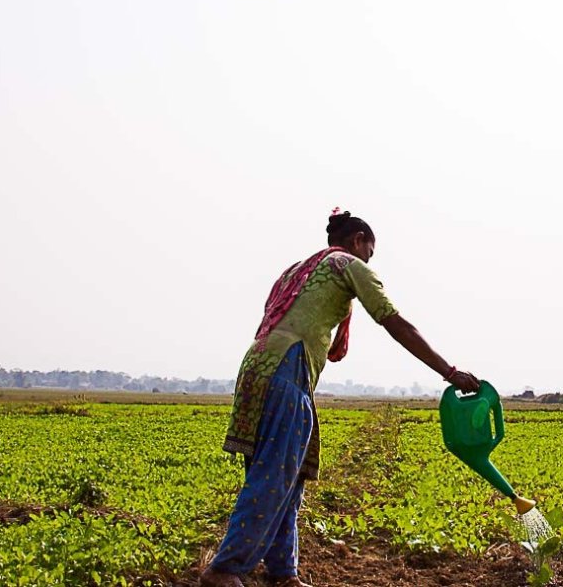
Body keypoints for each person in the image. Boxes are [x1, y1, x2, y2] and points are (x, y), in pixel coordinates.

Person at [201, 210, 482, 587]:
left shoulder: (297, 269)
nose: (369, 258)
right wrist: (448, 371)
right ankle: (224, 569)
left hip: (258, 365)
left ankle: (284, 573)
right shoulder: (347, 264)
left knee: (289, 473)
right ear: (358, 240)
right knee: (274, 473)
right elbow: (394, 322)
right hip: (288, 365)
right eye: (370, 250)